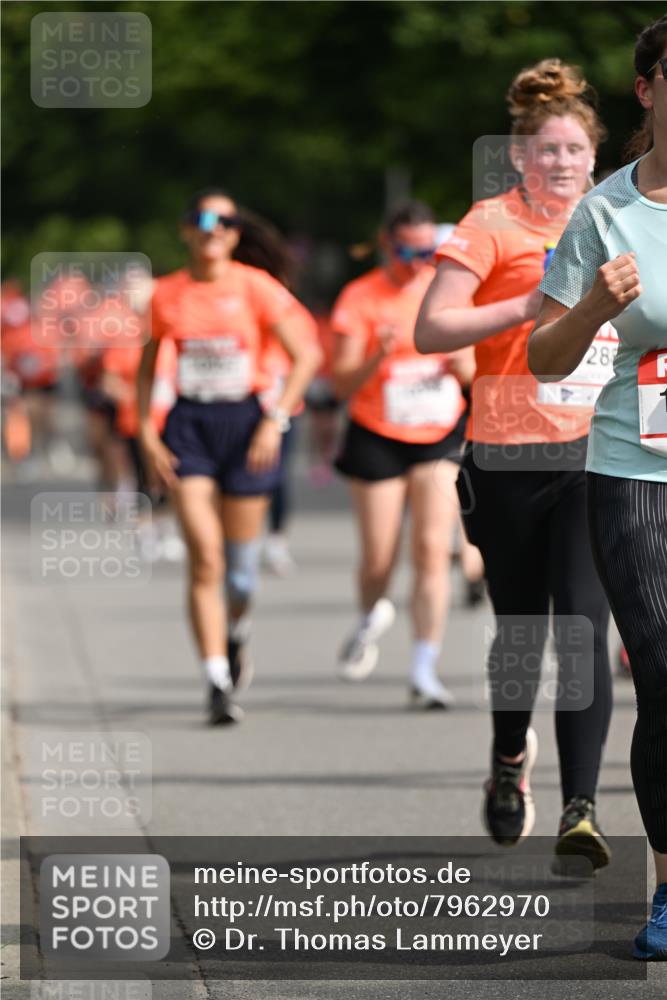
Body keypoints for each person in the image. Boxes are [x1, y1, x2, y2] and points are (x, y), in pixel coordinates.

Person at [416, 60, 616, 866]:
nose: (560, 162)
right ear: (519, 158)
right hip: (503, 457)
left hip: (598, 454)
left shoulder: (621, 218)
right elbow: (431, 330)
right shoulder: (489, 225)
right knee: (520, 632)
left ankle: (581, 807)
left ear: (593, 159)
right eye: (546, 149)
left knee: (580, 626)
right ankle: (508, 759)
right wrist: (524, 304)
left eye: (573, 149)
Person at [528, 15, 667, 960]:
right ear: (648, 89)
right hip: (634, 474)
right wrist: (592, 307)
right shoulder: (605, 212)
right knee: (664, 674)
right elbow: (541, 357)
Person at [137, 189, 320, 725]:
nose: (212, 229)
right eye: (202, 219)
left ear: (236, 233)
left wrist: (275, 417)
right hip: (189, 426)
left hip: (247, 425)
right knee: (206, 558)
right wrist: (147, 433)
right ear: (185, 229)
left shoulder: (256, 288)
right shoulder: (166, 294)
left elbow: (306, 356)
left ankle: (235, 631)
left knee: (240, 577)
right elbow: (145, 367)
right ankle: (216, 679)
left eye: (224, 221)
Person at [332, 201, 473, 708]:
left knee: (433, 549)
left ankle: (424, 668)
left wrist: (463, 365)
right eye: (406, 251)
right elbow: (340, 381)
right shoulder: (360, 296)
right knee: (379, 558)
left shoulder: (447, 292)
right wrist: (377, 353)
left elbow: (475, 371)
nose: (417, 261)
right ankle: (370, 615)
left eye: (427, 250)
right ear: (386, 245)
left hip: (438, 434)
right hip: (377, 433)